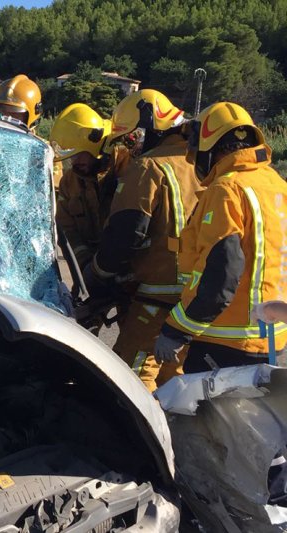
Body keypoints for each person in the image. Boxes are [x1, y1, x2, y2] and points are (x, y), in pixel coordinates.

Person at [153, 102, 287, 372]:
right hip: (274, 338)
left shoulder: (226, 190)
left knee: (206, 414)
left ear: (210, 146)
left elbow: (220, 272)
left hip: (227, 341)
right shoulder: (276, 184)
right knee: (254, 413)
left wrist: (177, 330)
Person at [84, 89, 202, 392]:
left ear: (150, 128)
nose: (131, 146)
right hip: (197, 302)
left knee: (133, 378)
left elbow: (126, 233)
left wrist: (97, 274)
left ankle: (141, 438)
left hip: (155, 299)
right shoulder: (202, 163)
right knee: (178, 379)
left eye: (132, 137)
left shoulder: (148, 167)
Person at [49, 103, 130, 269]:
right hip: (91, 271)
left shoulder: (127, 167)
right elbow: (67, 229)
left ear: (94, 145)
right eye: (70, 156)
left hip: (127, 271)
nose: (75, 161)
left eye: (79, 154)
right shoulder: (69, 182)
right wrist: (86, 264)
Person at [0, 74, 63, 188]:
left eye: (15, 112)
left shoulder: (45, 151)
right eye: (2, 111)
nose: (7, 117)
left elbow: (55, 193)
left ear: (33, 113)